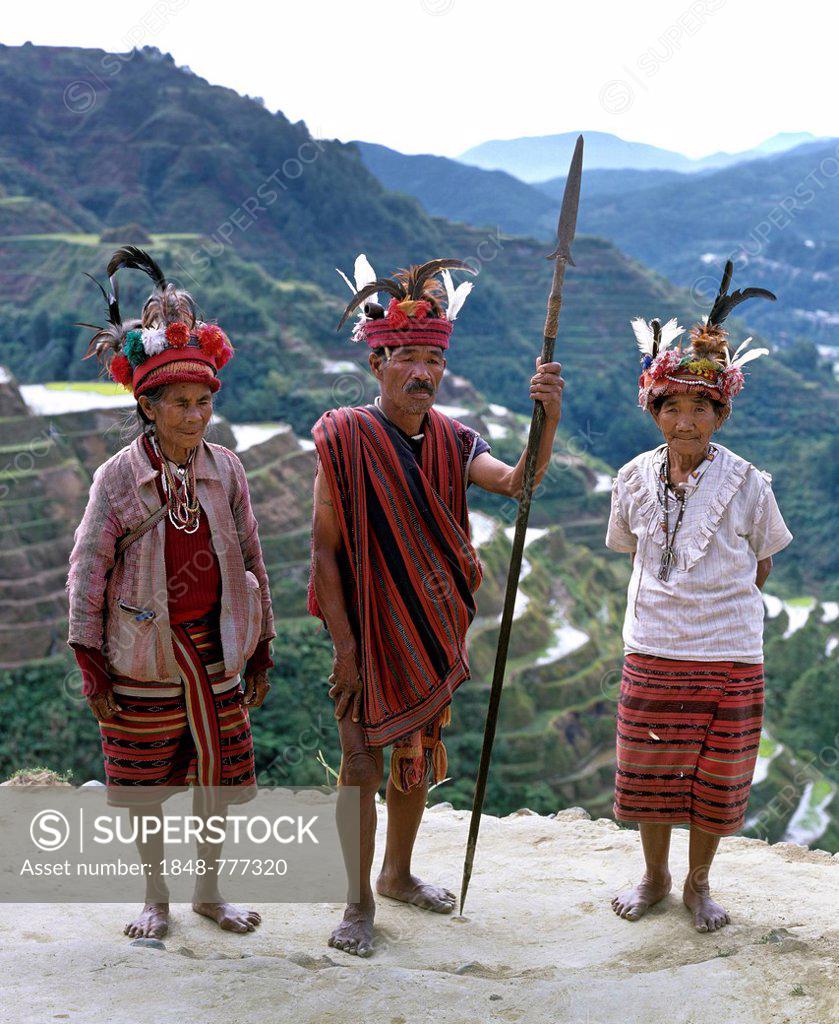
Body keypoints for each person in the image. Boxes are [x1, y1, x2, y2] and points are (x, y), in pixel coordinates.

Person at [309, 254, 565, 956]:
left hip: (428, 628)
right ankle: (357, 900)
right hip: (365, 632)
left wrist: (546, 419)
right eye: (407, 358)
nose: (423, 372)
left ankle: (395, 875)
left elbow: (516, 483)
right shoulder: (344, 438)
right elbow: (324, 553)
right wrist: (346, 649)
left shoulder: (455, 441)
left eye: (433, 359)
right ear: (377, 364)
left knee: (415, 757)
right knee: (360, 764)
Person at [67, 247, 274, 939]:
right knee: (147, 788)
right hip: (142, 656)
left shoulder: (227, 471)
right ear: (147, 406)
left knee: (216, 780)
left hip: (217, 650)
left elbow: (252, 556)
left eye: (204, 401)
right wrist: (90, 660)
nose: (195, 415)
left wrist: (262, 644)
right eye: (180, 404)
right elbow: (88, 569)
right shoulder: (117, 479)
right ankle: (155, 898)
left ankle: (209, 893)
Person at [606, 262, 793, 932]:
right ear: (653, 410)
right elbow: (631, 550)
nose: (685, 421)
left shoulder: (748, 484)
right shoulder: (631, 478)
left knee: (716, 776)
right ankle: (655, 876)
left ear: (720, 413)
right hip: (653, 648)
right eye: (671, 407)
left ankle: (698, 882)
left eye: (700, 408)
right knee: (652, 771)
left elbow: (761, 562)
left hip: (729, 654)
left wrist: (718, 613)